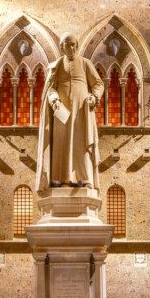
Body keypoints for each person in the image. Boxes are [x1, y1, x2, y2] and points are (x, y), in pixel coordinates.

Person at [34, 32, 104, 191]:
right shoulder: (55, 66)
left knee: (81, 143)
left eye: (73, 44)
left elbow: (98, 84)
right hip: (61, 112)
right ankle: (61, 179)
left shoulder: (85, 64)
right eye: (67, 44)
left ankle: (85, 179)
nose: (71, 47)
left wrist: (94, 97)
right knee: (61, 144)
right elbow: (50, 89)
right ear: (62, 47)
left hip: (81, 111)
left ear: (77, 46)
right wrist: (54, 100)